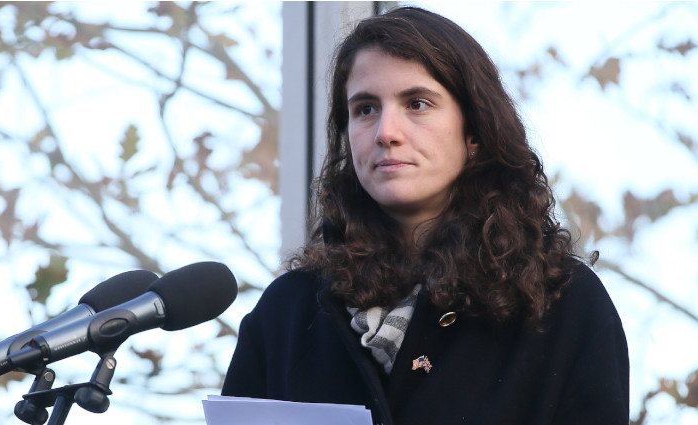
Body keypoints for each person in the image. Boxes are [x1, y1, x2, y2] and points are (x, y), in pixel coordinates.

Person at [222, 6, 629, 425]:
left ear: (474, 131)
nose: (386, 132)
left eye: (416, 104)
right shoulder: (287, 314)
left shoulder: (562, 304)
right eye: (364, 109)